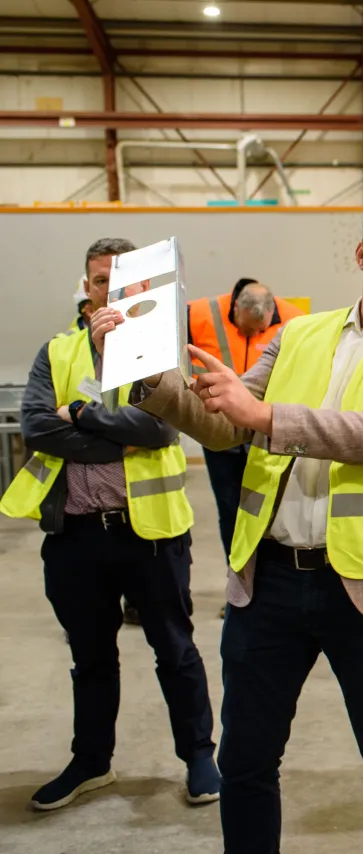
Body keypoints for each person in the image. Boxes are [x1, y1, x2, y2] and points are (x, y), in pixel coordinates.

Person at [94, 197, 363, 852]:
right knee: (246, 762)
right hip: (268, 581)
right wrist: (144, 371)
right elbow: (222, 424)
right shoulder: (298, 335)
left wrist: (264, 415)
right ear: (362, 257)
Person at [0, 237, 219, 811]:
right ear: (86, 287)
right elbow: (39, 429)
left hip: (151, 534)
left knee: (175, 649)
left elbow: (162, 431)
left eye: (120, 284)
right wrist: (117, 436)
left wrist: (83, 417)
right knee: (91, 656)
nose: (108, 294)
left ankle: (199, 755)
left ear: (140, 292)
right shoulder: (58, 352)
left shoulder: (162, 356)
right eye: (100, 282)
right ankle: (91, 762)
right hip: (73, 535)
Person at [188, 278, 305, 618]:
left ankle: (268, 588)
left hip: (266, 433)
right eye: (247, 328)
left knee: (269, 511)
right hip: (220, 429)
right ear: (235, 309)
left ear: (272, 314)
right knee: (231, 513)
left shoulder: (296, 320)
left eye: (261, 328)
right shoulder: (199, 314)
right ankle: (237, 588)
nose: (254, 334)